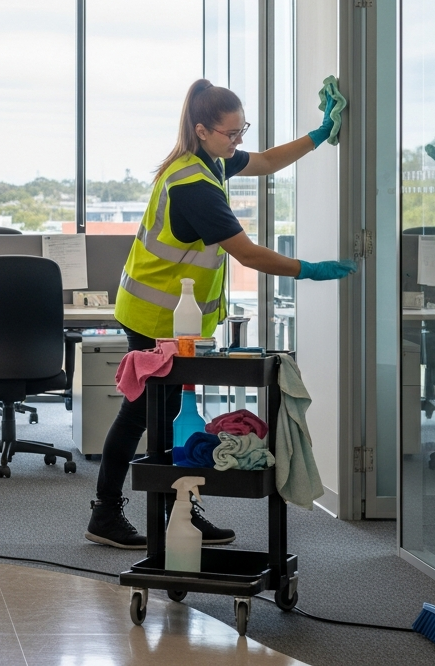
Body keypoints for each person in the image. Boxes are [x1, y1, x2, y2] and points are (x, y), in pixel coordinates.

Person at [84, 79, 356, 550]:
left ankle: (179, 514)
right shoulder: (193, 186)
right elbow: (247, 255)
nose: (238, 143)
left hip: (170, 314)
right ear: (203, 129)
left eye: (241, 131)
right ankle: (109, 513)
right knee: (146, 414)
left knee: (168, 414)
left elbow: (267, 161)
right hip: (155, 317)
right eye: (231, 134)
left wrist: (320, 133)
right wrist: (309, 270)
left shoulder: (209, 161)